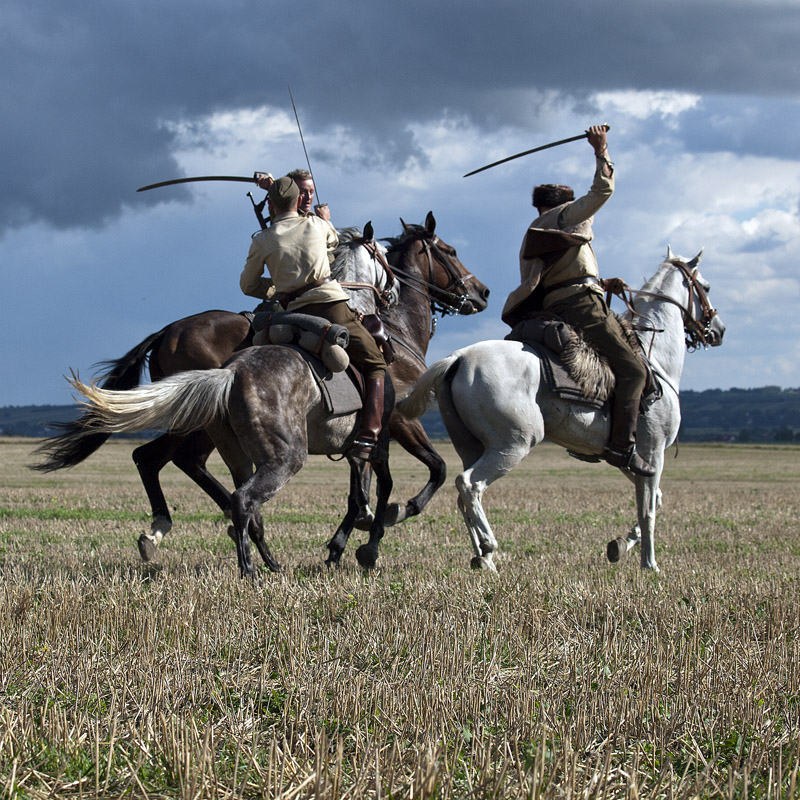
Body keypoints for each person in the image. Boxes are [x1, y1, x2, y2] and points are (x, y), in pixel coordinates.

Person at [501, 125, 655, 477]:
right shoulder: (563, 217)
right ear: (564, 205)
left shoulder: (539, 229)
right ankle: (622, 447)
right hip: (581, 305)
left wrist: (601, 282)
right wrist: (601, 150)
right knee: (634, 370)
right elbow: (602, 191)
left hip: (563, 302)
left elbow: (558, 276)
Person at [240, 175, 388, 462]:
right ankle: (369, 435)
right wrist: (325, 219)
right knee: (375, 363)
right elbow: (333, 242)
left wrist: (278, 288)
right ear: (299, 200)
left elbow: (248, 285)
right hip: (331, 309)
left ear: (270, 206)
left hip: (290, 315)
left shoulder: (262, 239)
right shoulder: (318, 225)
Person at [257, 168, 330, 220]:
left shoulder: (313, 220)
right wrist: (324, 221)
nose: (308, 197)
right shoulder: (286, 218)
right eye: (302, 192)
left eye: (311, 192)